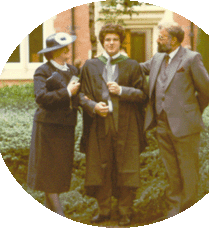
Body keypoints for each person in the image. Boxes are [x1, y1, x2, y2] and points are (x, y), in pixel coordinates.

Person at [140, 22, 209, 220]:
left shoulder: (191, 58)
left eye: (161, 37)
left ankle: (188, 211)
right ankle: (174, 209)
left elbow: (206, 90)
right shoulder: (156, 58)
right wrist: (110, 63)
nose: (157, 40)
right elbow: (137, 69)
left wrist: (192, 112)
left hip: (186, 126)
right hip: (162, 125)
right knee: (171, 170)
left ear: (173, 41)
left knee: (188, 170)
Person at [79, 23, 147, 226]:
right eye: (107, 39)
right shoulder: (91, 65)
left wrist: (122, 91)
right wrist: (92, 105)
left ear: (120, 42)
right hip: (99, 125)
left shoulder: (132, 65)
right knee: (101, 167)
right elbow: (80, 96)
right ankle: (104, 210)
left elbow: (144, 95)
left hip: (126, 125)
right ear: (102, 42)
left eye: (115, 39)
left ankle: (125, 211)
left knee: (126, 167)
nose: (111, 43)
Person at [27, 32, 80, 217]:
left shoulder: (73, 70)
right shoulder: (43, 70)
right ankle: (59, 213)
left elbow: (79, 97)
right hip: (48, 128)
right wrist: (67, 92)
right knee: (49, 171)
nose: (68, 50)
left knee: (59, 170)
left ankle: (48, 213)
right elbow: (41, 98)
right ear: (55, 52)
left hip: (66, 127)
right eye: (64, 48)